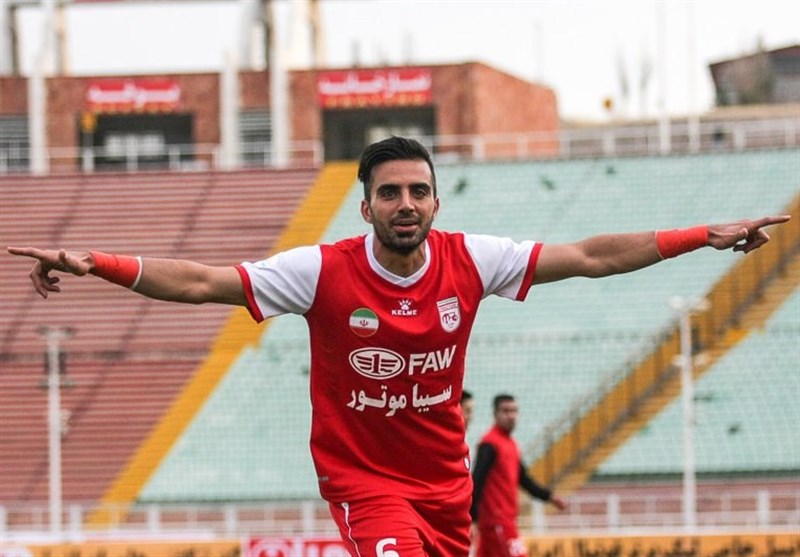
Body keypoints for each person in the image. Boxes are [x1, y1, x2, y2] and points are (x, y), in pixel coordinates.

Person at [7, 136, 790, 557]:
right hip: (365, 480)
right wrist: (96, 261)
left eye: (418, 190)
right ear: (367, 206)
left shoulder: (472, 259)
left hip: (446, 489)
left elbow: (589, 256)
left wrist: (701, 234)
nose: (405, 203)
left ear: (437, 200)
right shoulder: (320, 271)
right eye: (390, 192)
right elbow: (203, 282)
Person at [471, 394, 567, 557]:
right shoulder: (489, 444)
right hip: (496, 522)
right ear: (495, 414)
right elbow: (477, 481)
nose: (511, 416)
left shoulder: (512, 444)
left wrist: (549, 497)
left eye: (514, 411)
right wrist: (472, 518)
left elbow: (524, 479)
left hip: (505, 521)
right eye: (505, 411)